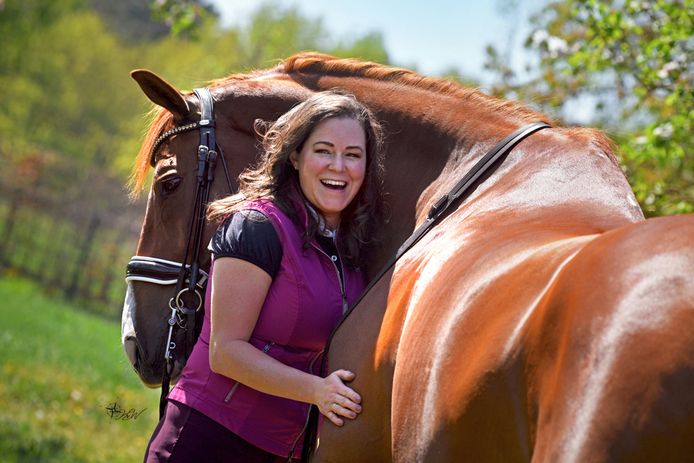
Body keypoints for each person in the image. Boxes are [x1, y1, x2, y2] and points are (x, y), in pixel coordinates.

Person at [145, 91, 385, 462]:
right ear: (295, 156)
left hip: (279, 450)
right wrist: (318, 391)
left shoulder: (350, 252)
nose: (338, 166)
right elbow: (225, 352)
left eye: (353, 155)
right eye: (323, 151)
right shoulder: (257, 227)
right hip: (207, 438)